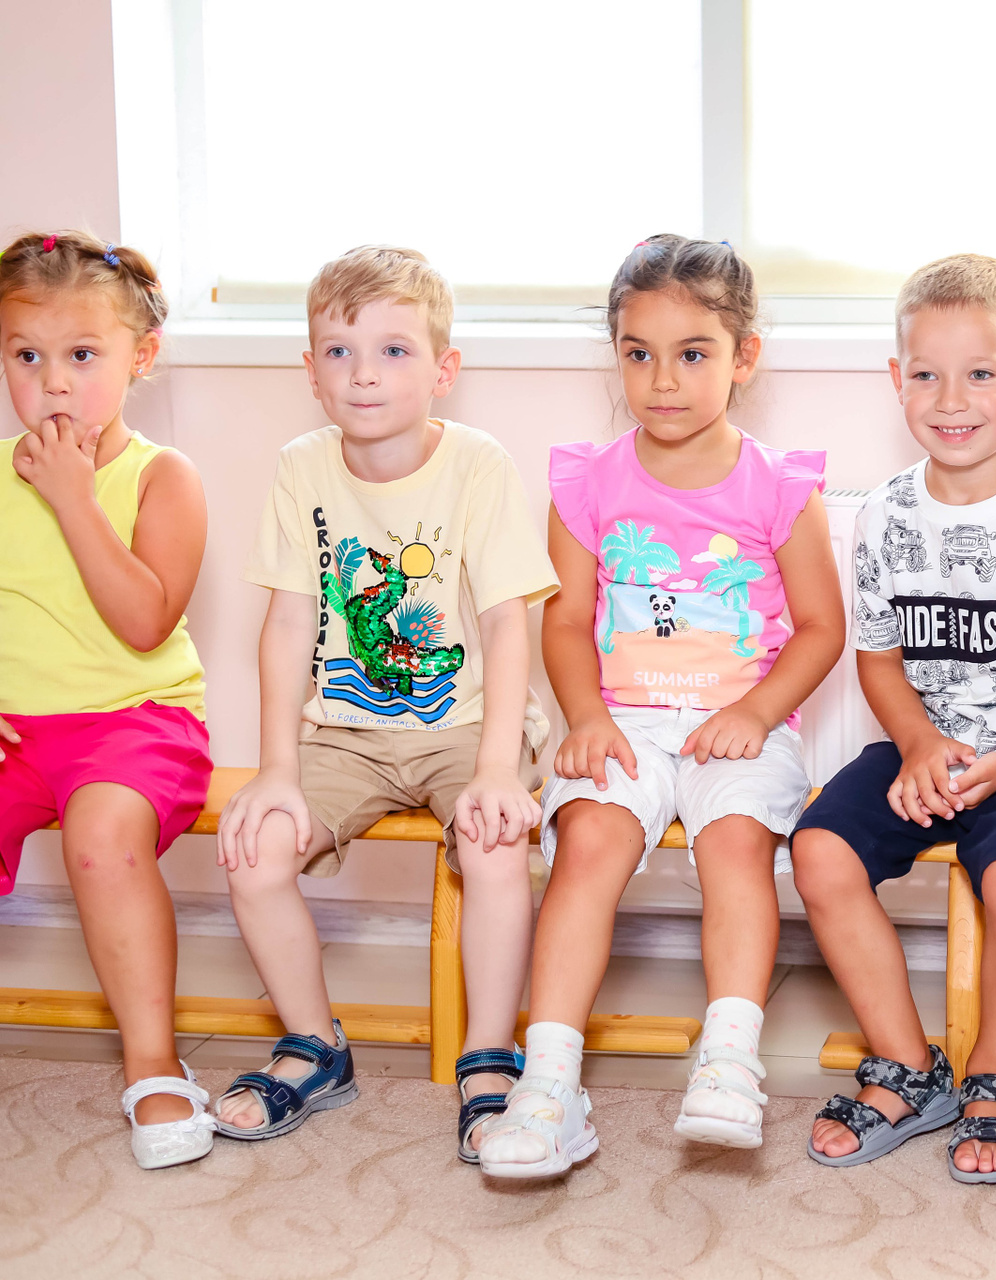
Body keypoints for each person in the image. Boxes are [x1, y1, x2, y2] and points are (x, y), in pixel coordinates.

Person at [478, 235, 842, 1176]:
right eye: (639, 354)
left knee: (734, 848)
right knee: (588, 846)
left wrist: (756, 713)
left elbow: (820, 628)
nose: (663, 380)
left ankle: (729, 1060)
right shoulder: (586, 481)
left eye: (692, 354)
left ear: (743, 358)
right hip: (626, 722)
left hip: (740, 721)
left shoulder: (781, 486)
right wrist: (586, 719)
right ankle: (548, 1085)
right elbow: (565, 623)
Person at [794, 253, 996, 1184]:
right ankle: (909, 1069)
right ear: (896, 380)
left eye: (981, 373)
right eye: (927, 375)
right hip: (927, 742)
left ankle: (994, 1078)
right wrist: (915, 742)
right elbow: (878, 657)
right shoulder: (885, 513)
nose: (952, 400)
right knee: (819, 852)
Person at [216, 246, 557, 1160]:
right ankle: (314, 1046)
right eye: (339, 351)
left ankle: (490, 1056)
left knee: (493, 841)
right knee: (254, 849)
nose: (363, 373)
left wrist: (497, 768)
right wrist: (276, 770)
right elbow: (288, 624)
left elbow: (508, 622)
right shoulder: (301, 467)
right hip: (343, 734)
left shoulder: (477, 464)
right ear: (312, 372)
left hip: (468, 728)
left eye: (394, 350)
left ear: (444, 369)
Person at [0, 230, 216, 1169]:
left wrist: (75, 499)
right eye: (27, 357)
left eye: (82, 355)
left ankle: (154, 1060)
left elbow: (142, 621)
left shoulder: (163, 477)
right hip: (18, 730)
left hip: (136, 722)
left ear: (142, 356)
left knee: (100, 838)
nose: (54, 384)